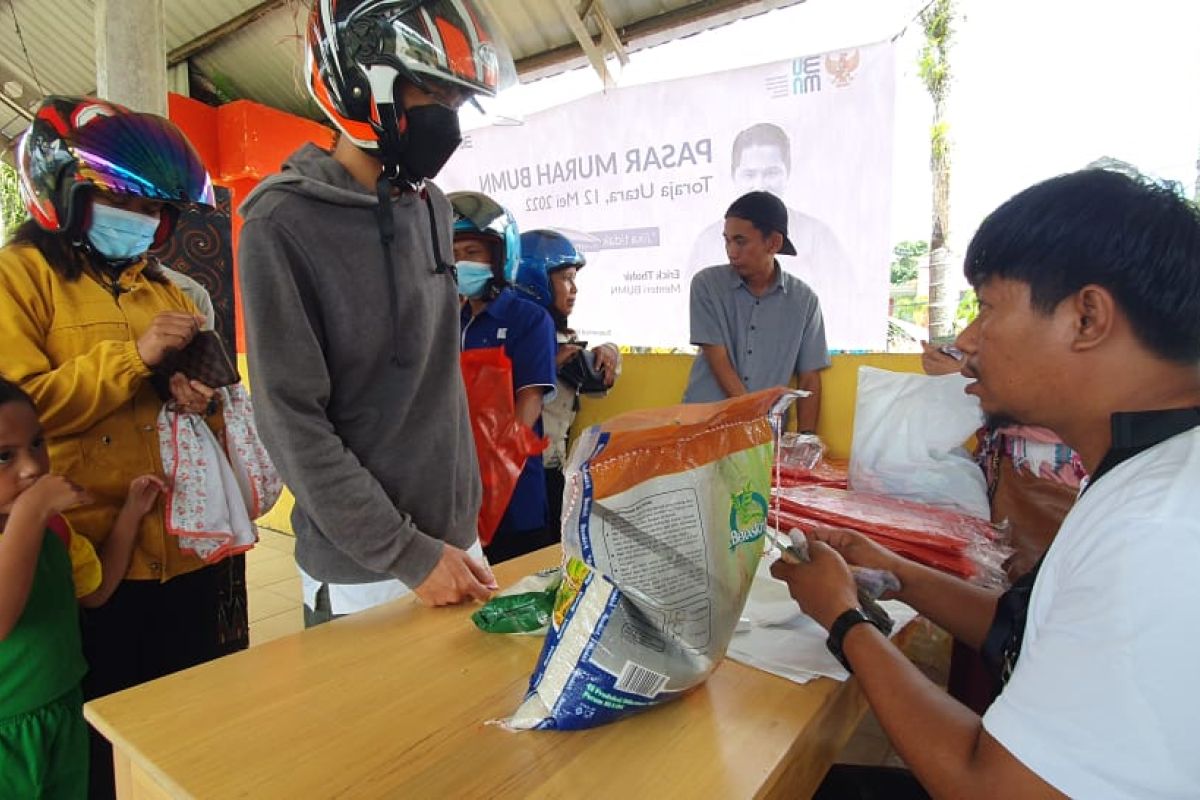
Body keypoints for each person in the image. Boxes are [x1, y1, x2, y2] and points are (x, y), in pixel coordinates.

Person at [771, 169, 1200, 798]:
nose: (966, 342)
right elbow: (1028, 629)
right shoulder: (1147, 470)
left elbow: (988, 786)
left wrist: (841, 619)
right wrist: (897, 569)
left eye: (987, 308)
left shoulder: (1158, 526)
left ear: (1087, 318)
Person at [238, 0, 511, 624]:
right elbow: (291, 422)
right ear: (360, 86)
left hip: (455, 542)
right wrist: (407, 553)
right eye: (433, 93)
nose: (449, 119)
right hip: (371, 568)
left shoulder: (434, 207)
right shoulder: (280, 224)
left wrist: (457, 527)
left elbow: (431, 385)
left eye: (459, 100)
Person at [0, 95, 241, 799]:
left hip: (182, 547)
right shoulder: (19, 280)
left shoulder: (173, 290)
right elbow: (18, 416)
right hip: (88, 559)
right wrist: (133, 359)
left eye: (154, 209)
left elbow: (202, 404)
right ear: (62, 195)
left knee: (185, 738)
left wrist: (200, 398)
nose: (140, 220)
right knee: (103, 756)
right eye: (117, 200)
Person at [0, 379, 164, 798]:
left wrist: (130, 513)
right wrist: (32, 511)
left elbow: (97, 590)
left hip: (65, 714)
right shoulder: (37, 519)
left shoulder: (54, 529)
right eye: (4, 457)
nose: (33, 468)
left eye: (37, 444)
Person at [452, 194, 559, 563]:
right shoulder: (451, 322)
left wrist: (496, 473)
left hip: (511, 489)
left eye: (471, 252)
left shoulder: (529, 319)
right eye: (453, 255)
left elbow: (529, 401)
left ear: (500, 258)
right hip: (460, 487)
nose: (460, 264)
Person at [684, 122, 856, 343]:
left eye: (771, 173)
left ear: (774, 243)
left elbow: (847, 305)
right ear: (734, 175)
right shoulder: (705, 259)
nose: (759, 184)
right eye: (749, 174)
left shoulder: (819, 241)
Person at [682, 191, 829, 433]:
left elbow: (809, 377)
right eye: (726, 240)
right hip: (704, 429)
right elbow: (718, 360)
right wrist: (756, 422)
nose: (731, 251)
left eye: (740, 241)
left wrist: (806, 439)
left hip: (763, 440)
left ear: (773, 243)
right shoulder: (706, 285)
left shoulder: (804, 301)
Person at [513, 228, 621, 538]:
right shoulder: (512, 336)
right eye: (566, 279)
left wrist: (609, 352)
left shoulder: (563, 339)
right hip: (519, 474)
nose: (574, 290)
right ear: (536, 279)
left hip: (553, 473)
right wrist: (544, 365)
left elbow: (599, 383)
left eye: (575, 279)